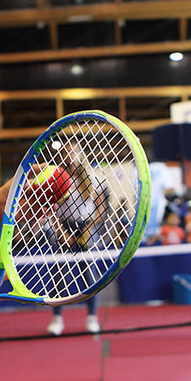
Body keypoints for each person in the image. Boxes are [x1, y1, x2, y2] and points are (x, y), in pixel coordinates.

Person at [46, 144, 108, 336]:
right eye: (66, 152)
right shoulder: (57, 178)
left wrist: (89, 228)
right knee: (59, 276)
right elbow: (50, 208)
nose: (70, 155)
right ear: (62, 156)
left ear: (81, 155)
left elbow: (101, 207)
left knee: (89, 275)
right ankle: (57, 319)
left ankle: (92, 317)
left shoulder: (92, 178)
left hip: (87, 228)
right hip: (64, 227)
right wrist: (62, 231)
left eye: (74, 151)